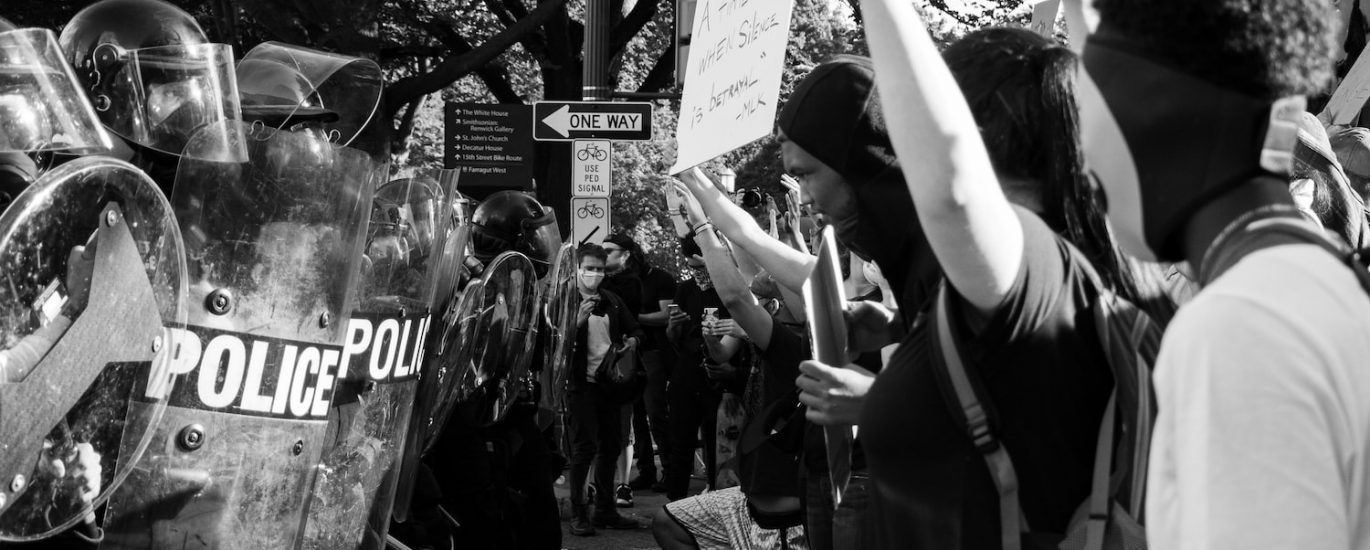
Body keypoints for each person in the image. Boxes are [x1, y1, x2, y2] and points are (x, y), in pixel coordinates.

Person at [1075, 0, 1370, 547]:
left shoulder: (1239, 325)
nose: (1085, 167)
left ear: (1162, 119)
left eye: (1090, 124)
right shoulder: (1319, 279)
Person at [651, 184, 807, 550]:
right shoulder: (787, 321)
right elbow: (747, 252)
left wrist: (703, 225)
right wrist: (701, 185)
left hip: (786, 518)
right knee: (669, 521)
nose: (767, 265)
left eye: (783, 262)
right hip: (749, 497)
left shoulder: (799, 341)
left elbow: (738, 295)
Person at [565, 243, 645, 536]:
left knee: (611, 445)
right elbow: (551, 342)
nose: (594, 274)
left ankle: (605, 509)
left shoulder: (610, 299)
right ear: (577, 269)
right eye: (589, 268)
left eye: (599, 269)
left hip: (609, 384)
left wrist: (633, 341)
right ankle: (578, 513)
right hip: (580, 384)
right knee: (584, 447)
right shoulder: (566, 300)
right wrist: (575, 323)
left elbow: (636, 329)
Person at [663, 237, 731, 501]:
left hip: (718, 373)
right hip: (687, 372)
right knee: (681, 439)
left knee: (717, 442)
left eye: (699, 262)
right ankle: (675, 501)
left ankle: (717, 497)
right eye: (690, 263)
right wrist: (674, 324)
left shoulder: (728, 287)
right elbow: (673, 337)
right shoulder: (686, 289)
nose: (696, 269)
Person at [600, 233, 645, 507]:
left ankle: (623, 484)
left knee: (622, 425)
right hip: (596, 358)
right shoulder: (597, 282)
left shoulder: (629, 284)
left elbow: (629, 322)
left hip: (620, 359)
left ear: (625, 255)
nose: (604, 257)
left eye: (610, 251)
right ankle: (597, 485)